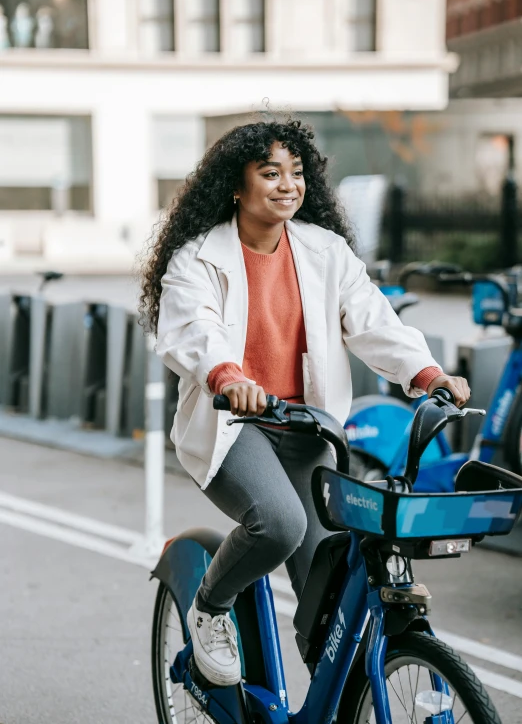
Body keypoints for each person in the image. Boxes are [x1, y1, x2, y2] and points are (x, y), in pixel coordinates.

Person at [140, 119, 470, 687]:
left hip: (310, 429)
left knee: (327, 591)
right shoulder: (198, 257)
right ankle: (210, 608)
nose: (286, 184)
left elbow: (371, 318)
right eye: (269, 173)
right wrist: (226, 375)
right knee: (280, 523)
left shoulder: (325, 251)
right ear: (236, 187)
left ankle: (331, 695)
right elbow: (193, 327)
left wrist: (427, 372)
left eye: (295, 173)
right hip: (236, 423)